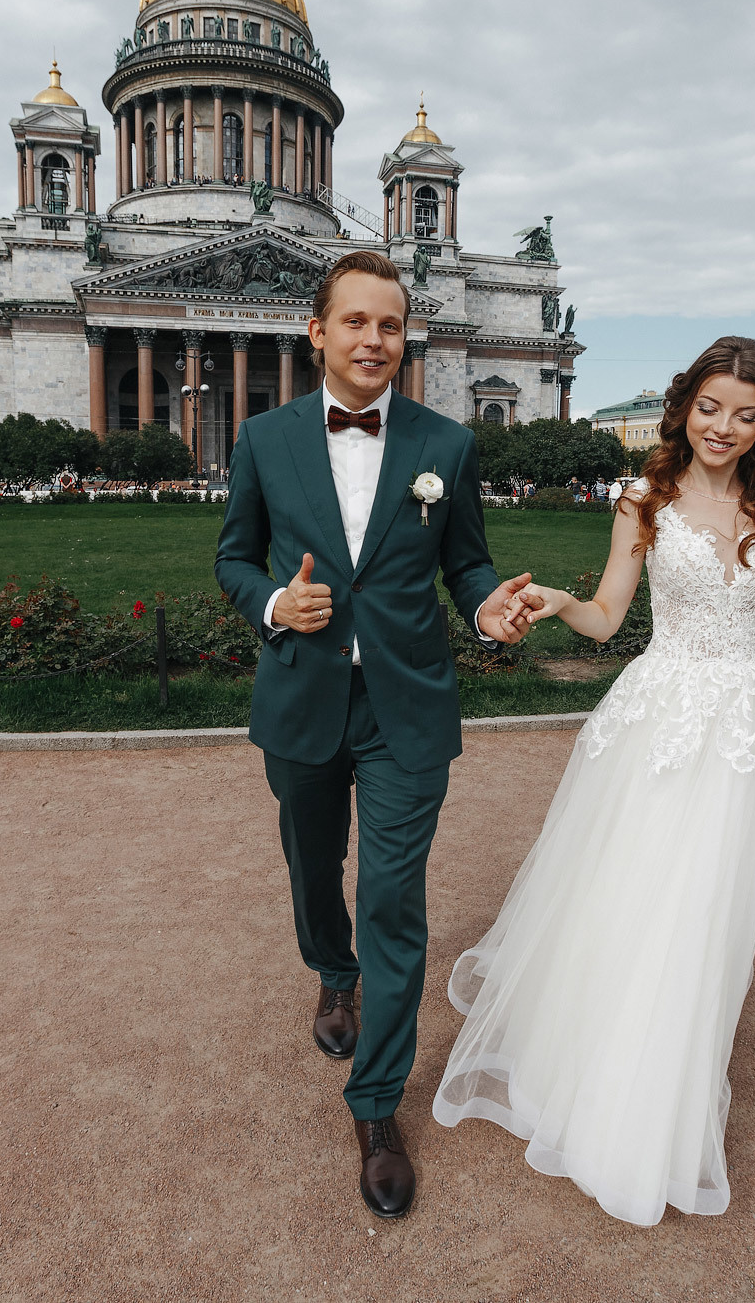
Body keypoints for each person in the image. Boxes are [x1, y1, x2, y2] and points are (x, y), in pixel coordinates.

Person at [433, 336, 755, 1227]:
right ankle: (597, 1091)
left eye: (745, 413)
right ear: (684, 406)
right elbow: (610, 614)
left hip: (750, 733)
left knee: (709, 918)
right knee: (636, 903)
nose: (724, 427)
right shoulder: (642, 498)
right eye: (710, 407)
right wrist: (561, 604)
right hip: (661, 720)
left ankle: (664, 1105)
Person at [214, 250, 540, 1220]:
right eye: (353, 322)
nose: (372, 340)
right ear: (315, 332)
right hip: (302, 699)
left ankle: (375, 1107)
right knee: (317, 873)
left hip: (407, 712)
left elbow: (468, 568)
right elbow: (232, 556)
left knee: (394, 899)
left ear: (407, 337)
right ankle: (331, 972)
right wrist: (275, 601)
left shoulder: (447, 443)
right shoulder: (263, 438)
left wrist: (487, 612)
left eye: (389, 325)